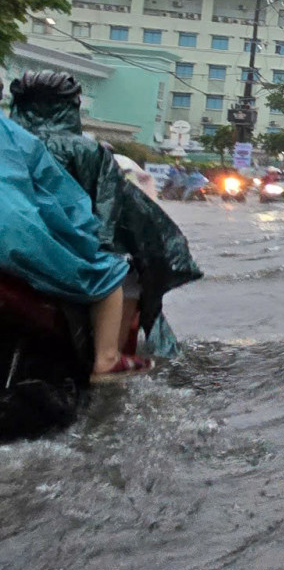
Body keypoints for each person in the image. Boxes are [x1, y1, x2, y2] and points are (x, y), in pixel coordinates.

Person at [8, 72, 201, 366]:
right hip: (42, 248)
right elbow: (109, 213)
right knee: (124, 274)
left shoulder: (10, 140)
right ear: (71, 105)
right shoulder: (83, 149)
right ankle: (108, 358)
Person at [0, 110, 137, 381]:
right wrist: (87, 238)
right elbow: (63, 203)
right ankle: (107, 359)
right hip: (16, 239)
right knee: (108, 276)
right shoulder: (20, 139)